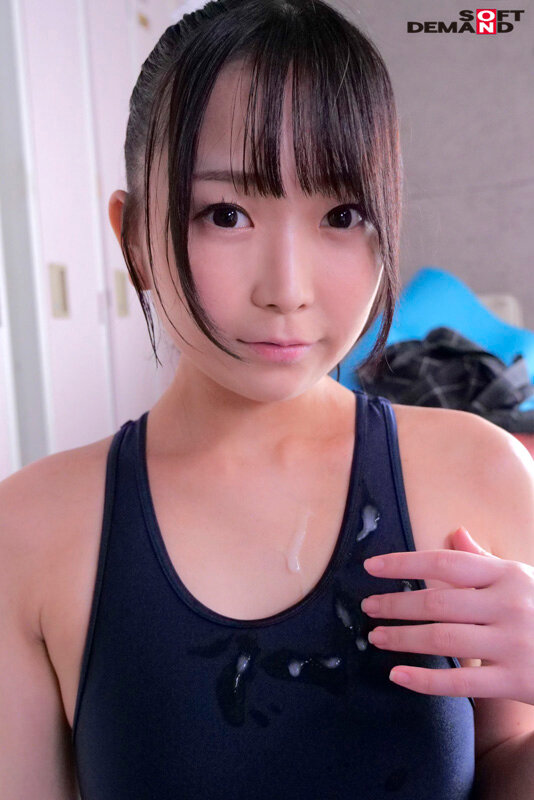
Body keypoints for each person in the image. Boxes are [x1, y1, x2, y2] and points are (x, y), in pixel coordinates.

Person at [1, 1, 534, 798]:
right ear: (134, 238)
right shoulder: (29, 531)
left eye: (342, 215)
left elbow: (504, 762)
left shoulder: (480, 471)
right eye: (227, 215)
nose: (287, 288)